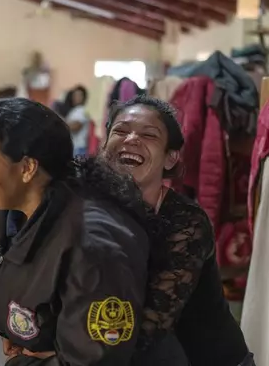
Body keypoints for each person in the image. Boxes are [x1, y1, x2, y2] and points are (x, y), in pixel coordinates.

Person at [0, 97, 149, 365]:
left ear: (27, 168)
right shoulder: (11, 213)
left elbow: (97, 360)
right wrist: (13, 327)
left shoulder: (93, 248)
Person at [100, 95, 254, 366]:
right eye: (120, 131)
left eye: (149, 135)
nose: (131, 139)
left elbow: (151, 325)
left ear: (170, 158)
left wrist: (62, 351)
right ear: (104, 147)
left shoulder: (186, 222)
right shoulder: (90, 206)